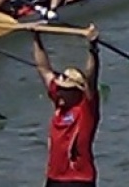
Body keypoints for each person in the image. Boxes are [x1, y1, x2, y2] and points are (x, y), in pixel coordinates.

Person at [32, 23, 101, 187]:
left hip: (79, 179)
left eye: (65, 90)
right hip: (54, 177)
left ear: (77, 91)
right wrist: (36, 38)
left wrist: (93, 48)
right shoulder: (60, 102)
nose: (60, 92)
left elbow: (91, 77)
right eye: (61, 89)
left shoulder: (86, 107)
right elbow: (44, 69)